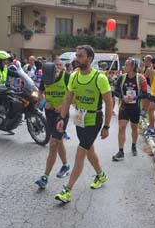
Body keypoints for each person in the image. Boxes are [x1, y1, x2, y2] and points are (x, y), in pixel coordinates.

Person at [54, 45, 113, 203]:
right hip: (79, 118)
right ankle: (101, 175)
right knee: (89, 150)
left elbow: (109, 102)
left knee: (81, 152)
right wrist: (61, 118)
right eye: (77, 55)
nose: (77, 58)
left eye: (80, 56)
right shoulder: (74, 76)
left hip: (94, 120)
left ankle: (67, 190)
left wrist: (106, 126)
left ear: (89, 59)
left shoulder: (99, 78)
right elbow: (68, 98)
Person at [35, 58, 71, 189]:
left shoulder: (67, 77)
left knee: (53, 142)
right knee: (58, 140)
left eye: (59, 65)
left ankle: (45, 177)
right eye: (56, 65)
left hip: (62, 114)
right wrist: (45, 102)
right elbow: (39, 94)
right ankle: (66, 165)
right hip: (49, 113)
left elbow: (74, 97)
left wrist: (63, 106)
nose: (57, 67)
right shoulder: (46, 77)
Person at [112, 58, 148, 161]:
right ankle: (121, 151)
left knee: (134, 128)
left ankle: (133, 145)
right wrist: (122, 97)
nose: (124, 67)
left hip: (135, 107)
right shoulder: (122, 77)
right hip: (124, 106)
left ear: (133, 67)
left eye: (127, 65)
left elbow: (145, 94)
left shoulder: (141, 78)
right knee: (121, 127)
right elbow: (116, 91)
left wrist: (135, 98)